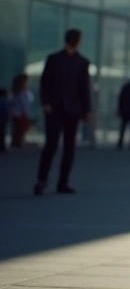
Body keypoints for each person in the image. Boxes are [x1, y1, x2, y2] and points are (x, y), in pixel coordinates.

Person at [35, 29, 92, 195]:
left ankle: (63, 182)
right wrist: (45, 103)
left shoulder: (82, 62)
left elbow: (84, 88)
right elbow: (44, 82)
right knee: (51, 145)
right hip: (54, 108)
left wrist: (87, 109)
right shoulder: (53, 59)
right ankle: (42, 180)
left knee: (69, 147)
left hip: (73, 109)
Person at [10, 74, 33, 149]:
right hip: (20, 114)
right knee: (19, 129)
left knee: (19, 129)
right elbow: (24, 105)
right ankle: (18, 142)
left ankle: (18, 142)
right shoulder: (20, 93)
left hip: (19, 114)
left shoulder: (21, 92)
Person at [0, 87, 8, 153]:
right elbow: (6, 111)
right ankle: (2, 147)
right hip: (2, 120)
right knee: (2, 134)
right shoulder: (5, 101)